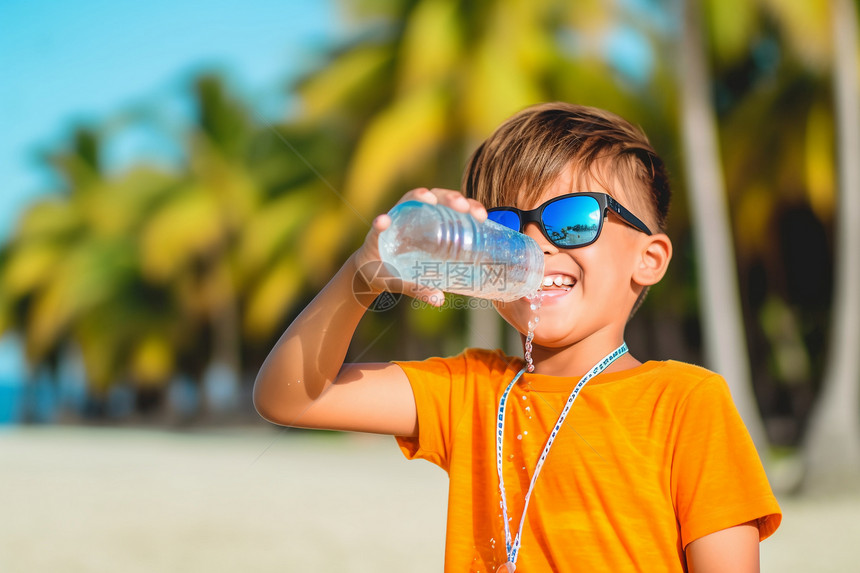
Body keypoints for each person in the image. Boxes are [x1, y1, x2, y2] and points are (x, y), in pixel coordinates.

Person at [253, 102, 782, 572]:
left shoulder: (685, 403)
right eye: (505, 226)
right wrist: (363, 273)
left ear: (649, 259)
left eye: (573, 220)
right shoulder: (473, 390)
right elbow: (292, 396)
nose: (533, 243)